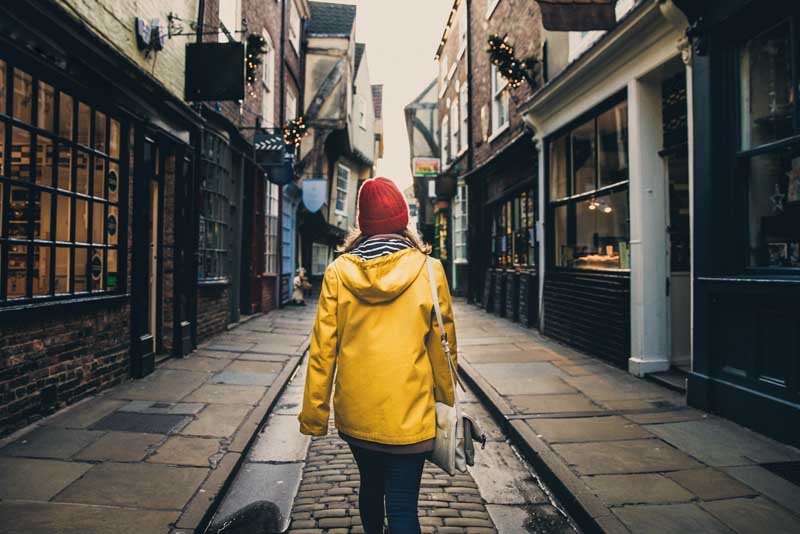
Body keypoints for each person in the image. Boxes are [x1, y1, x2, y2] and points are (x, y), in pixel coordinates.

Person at [298, 177, 457, 534]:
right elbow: (444, 348)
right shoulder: (429, 270)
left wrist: (315, 414)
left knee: (370, 487)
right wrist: (445, 402)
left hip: (359, 411)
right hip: (412, 411)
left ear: (363, 223)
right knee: (402, 506)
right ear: (402, 219)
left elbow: (323, 350)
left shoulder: (339, 272)